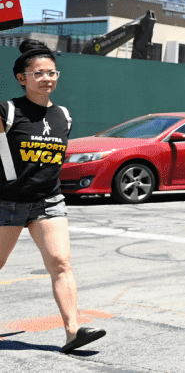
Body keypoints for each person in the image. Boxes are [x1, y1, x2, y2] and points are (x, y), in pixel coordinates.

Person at [0, 40, 106, 353]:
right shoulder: (8, 111)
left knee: (61, 263)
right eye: (38, 73)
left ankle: (73, 332)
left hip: (49, 200)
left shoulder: (63, 116)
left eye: (52, 72)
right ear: (22, 78)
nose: (47, 78)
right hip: (8, 201)